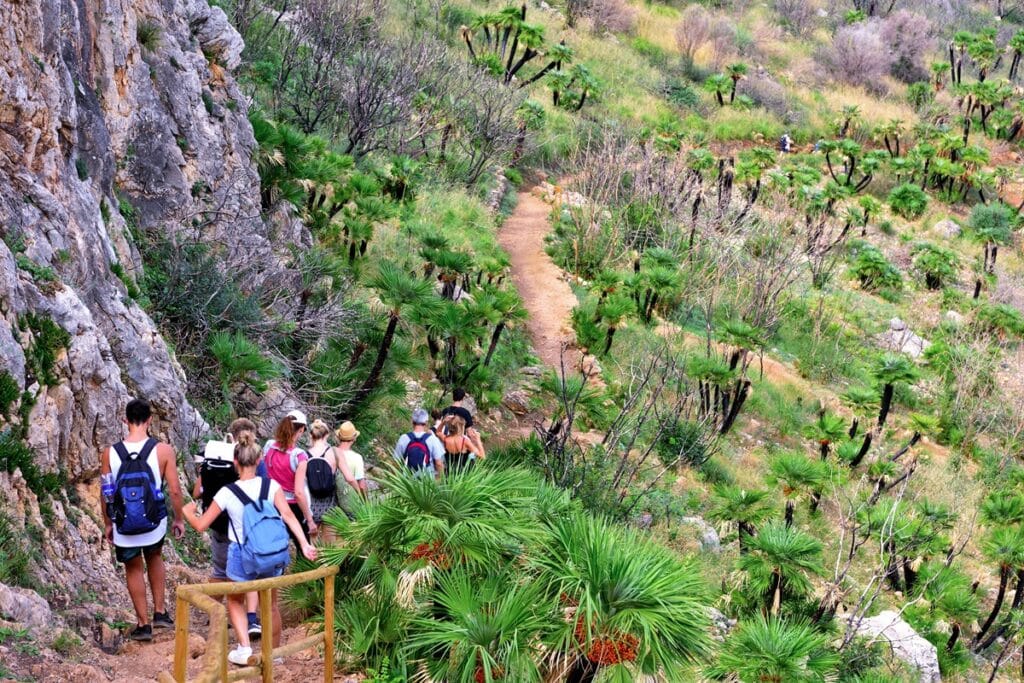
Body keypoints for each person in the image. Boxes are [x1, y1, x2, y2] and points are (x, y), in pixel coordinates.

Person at [183, 431, 316, 666]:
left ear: (235, 462)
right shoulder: (271, 486)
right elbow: (288, 516)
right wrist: (305, 544)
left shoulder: (227, 492)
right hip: (269, 552)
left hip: (241, 553)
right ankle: (274, 654)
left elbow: (202, 525)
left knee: (235, 601)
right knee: (271, 604)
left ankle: (244, 648)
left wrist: (187, 514)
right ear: (258, 460)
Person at [100, 398, 184, 642]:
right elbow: (176, 490)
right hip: (154, 522)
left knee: (133, 567)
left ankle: (143, 624)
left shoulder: (110, 453)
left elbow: (106, 491)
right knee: (155, 557)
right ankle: (160, 612)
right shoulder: (163, 450)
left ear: (125, 420)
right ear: (149, 420)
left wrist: (108, 523)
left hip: (124, 524)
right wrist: (179, 519)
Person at [192, 417, 263, 639]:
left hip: (221, 525)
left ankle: (215, 614)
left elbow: (197, 493)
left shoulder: (215, 459)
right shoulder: (251, 464)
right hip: (248, 528)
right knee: (250, 576)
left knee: (219, 571)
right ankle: (250, 618)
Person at [263, 410, 316, 551]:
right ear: (301, 430)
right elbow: (299, 493)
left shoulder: (269, 446)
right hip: (291, 505)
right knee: (303, 543)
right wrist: (309, 519)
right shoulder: (299, 456)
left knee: (271, 542)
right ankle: (304, 570)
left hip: (269, 501)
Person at [306, 419, 359, 540]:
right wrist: (358, 493)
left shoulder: (304, 454)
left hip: (311, 506)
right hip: (330, 506)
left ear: (311, 435)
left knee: (311, 544)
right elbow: (350, 479)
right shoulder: (335, 452)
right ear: (327, 435)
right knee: (329, 547)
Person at [394, 408, 446, 479]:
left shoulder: (403, 438)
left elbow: (396, 462)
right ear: (426, 422)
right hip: (427, 481)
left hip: (407, 481)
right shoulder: (432, 439)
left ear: (412, 421)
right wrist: (440, 479)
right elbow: (439, 463)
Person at [437, 388, 486, 459]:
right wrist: (477, 440)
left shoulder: (445, 411)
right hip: (460, 442)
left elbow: (439, 430)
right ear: (463, 398)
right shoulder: (465, 412)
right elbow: (469, 432)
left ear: (453, 397)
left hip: (445, 441)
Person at [335, 421, 367, 517]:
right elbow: (361, 485)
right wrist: (365, 502)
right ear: (354, 439)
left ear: (339, 437)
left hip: (332, 504)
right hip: (350, 504)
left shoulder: (331, 453)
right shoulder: (356, 458)